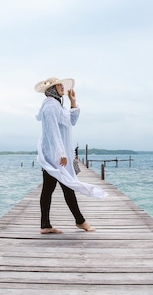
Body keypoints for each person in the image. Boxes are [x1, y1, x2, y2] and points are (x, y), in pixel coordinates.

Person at [34, 77, 107, 234]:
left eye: (61, 85)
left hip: (55, 154)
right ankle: (80, 221)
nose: (62, 87)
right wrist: (60, 153)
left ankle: (46, 225)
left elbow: (71, 121)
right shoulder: (51, 106)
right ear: (51, 89)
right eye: (58, 85)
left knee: (49, 188)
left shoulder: (58, 106)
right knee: (67, 185)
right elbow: (53, 131)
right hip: (55, 155)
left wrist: (73, 101)